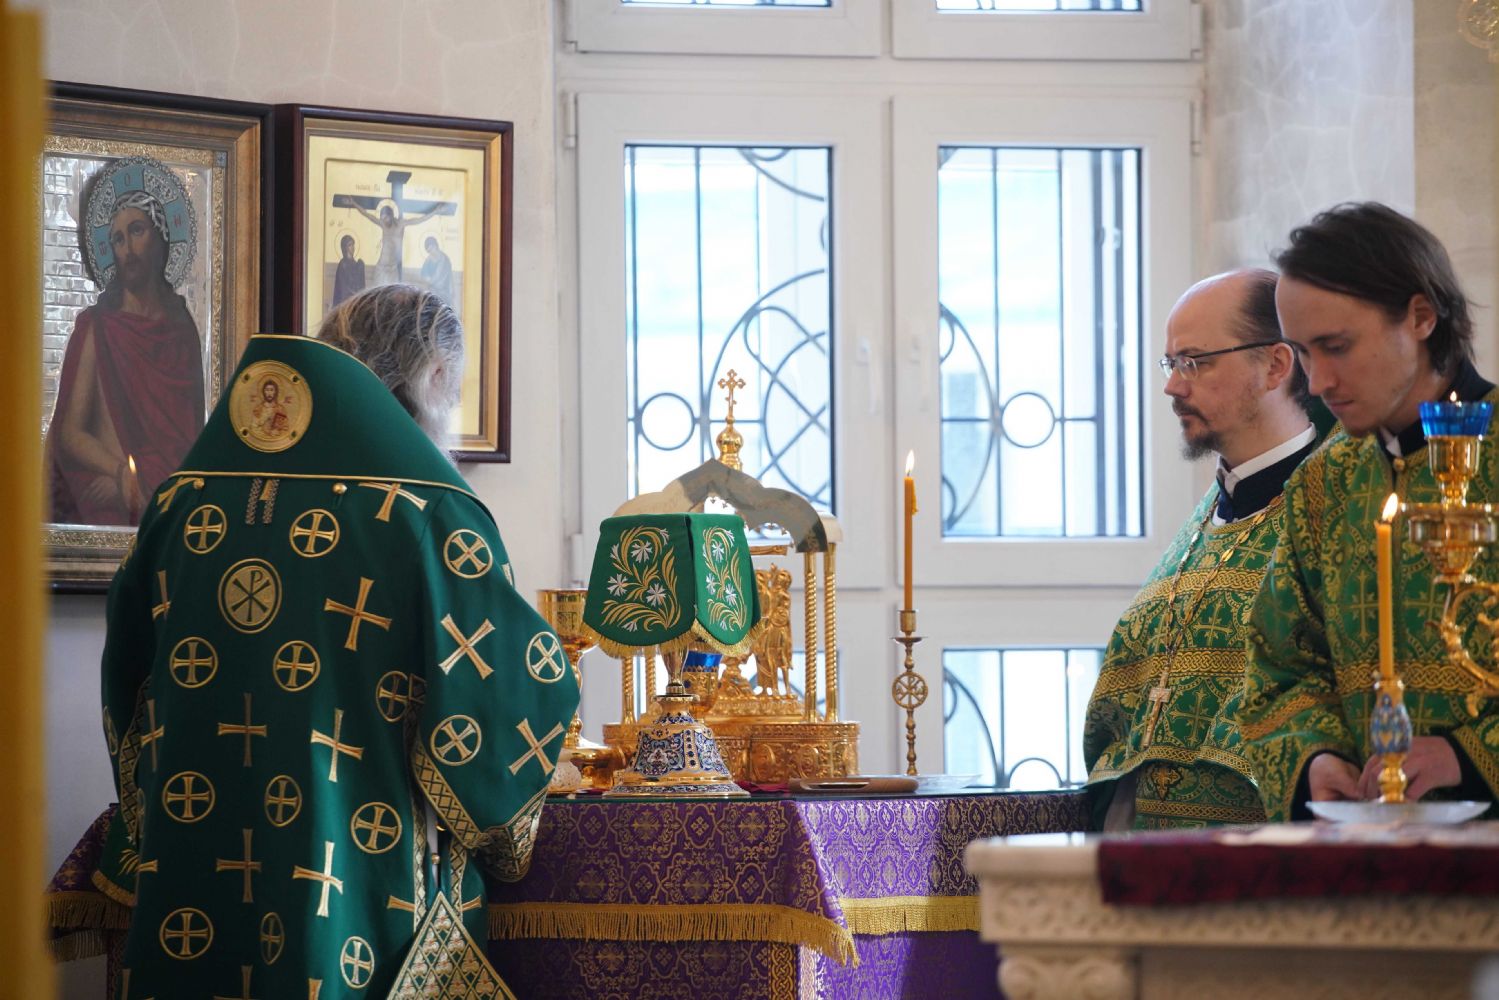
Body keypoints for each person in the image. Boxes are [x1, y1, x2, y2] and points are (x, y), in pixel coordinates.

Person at [97, 284, 578, 996]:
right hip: (363, 878)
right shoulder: (431, 512)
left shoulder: (181, 502)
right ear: (434, 375)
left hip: (191, 865)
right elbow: (506, 700)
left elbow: (126, 689)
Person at [1239, 202, 1499, 821]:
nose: (1317, 381)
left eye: (1337, 347)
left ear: (1420, 317)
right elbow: (1281, 667)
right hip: (1367, 852)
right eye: (1304, 353)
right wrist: (1316, 759)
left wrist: (1467, 756)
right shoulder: (1323, 482)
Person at [1083, 268, 1317, 830]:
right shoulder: (1201, 524)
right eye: (1171, 363)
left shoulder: (1331, 512)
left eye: (1195, 362)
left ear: (1276, 366)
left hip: (1267, 861)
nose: (1173, 386)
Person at [47, 157, 204, 526]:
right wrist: (121, 473)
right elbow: (69, 432)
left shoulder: (183, 332)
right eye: (118, 239)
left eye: (137, 231)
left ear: (160, 237)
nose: (128, 250)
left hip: (168, 502)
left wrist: (132, 481)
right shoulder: (96, 326)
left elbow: (189, 439)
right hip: (107, 502)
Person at [331, 233, 366, 308]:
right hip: (346, 301)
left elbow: (361, 285)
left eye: (353, 244)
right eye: (350, 245)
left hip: (356, 299)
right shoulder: (342, 265)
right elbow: (342, 287)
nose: (353, 247)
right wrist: (353, 294)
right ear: (345, 247)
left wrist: (361, 268)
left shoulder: (358, 264)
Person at [421, 235, 454, 304]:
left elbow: (443, 277)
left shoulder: (444, 259)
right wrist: (427, 279)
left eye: (431, 249)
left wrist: (432, 282)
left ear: (435, 246)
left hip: (443, 291)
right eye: (428, 251)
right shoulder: (428, 259)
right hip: (431, 290)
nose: (430, 253)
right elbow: (423, 272)